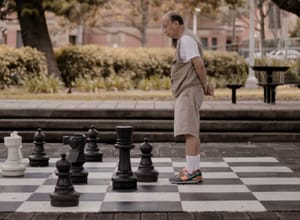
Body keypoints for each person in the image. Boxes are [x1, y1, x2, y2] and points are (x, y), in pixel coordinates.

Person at [161, 11, 214, 184]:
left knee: (189, 131)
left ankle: (192, 172)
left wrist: (205, 85)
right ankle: (193, 168)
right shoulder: (187, 38)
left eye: (165, 26)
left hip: (188, 90)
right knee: (192, 131)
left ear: (176, 24)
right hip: (190, 90)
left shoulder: (185, 39)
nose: (164, 31)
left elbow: (198, 63)